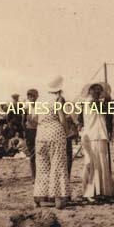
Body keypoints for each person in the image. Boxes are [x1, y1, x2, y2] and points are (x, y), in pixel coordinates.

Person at [33, 76, 70, 209]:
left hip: (41, 133)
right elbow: (62, 119)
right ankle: (58, 199)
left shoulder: (39, 100)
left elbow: (34, 118)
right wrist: (67, 132)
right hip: (55, 132)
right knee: (58, 165)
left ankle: (39, 197)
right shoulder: (58, 99)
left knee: (42, 166)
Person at [78, 82, 114, 202]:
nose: (98, 92)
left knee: (100, 163)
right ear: (90, 91)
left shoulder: (93, 102)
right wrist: (108, 98)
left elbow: (108, 111)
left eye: (99, 90)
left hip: (98, 135)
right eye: (96, 90)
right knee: (95, 164)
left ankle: (101, 190)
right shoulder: (91, 102)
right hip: (94, 135)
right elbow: (105, 108)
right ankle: (92, 191)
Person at [23, 89, 39, 180]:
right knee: (32, 154)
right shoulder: (26, 108)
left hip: (38, 130)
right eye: (30, 96)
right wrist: (25, 133)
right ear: (28, 97)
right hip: (30, 131)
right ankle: (34, 176)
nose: (32, 98)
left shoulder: (40, 107)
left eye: (34, 96)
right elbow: (23, 121)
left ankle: (39, 175)